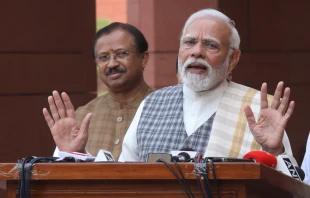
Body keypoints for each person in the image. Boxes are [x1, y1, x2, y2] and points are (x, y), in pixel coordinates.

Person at [118, 9, 296, 162]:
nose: (197, 52)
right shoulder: (152, 104)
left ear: (233, 59)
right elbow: (123, 176)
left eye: (211, 45)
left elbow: (292, 187)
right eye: (189, 42)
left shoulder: (258, 108)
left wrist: (275, 151)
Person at [42, 22, 152, 160]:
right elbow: (63, 176)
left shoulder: (166, 109)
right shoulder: (81, 117)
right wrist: (71, 154)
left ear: (143, 59)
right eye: (104, 57)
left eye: (122, 54)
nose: (112, 64)